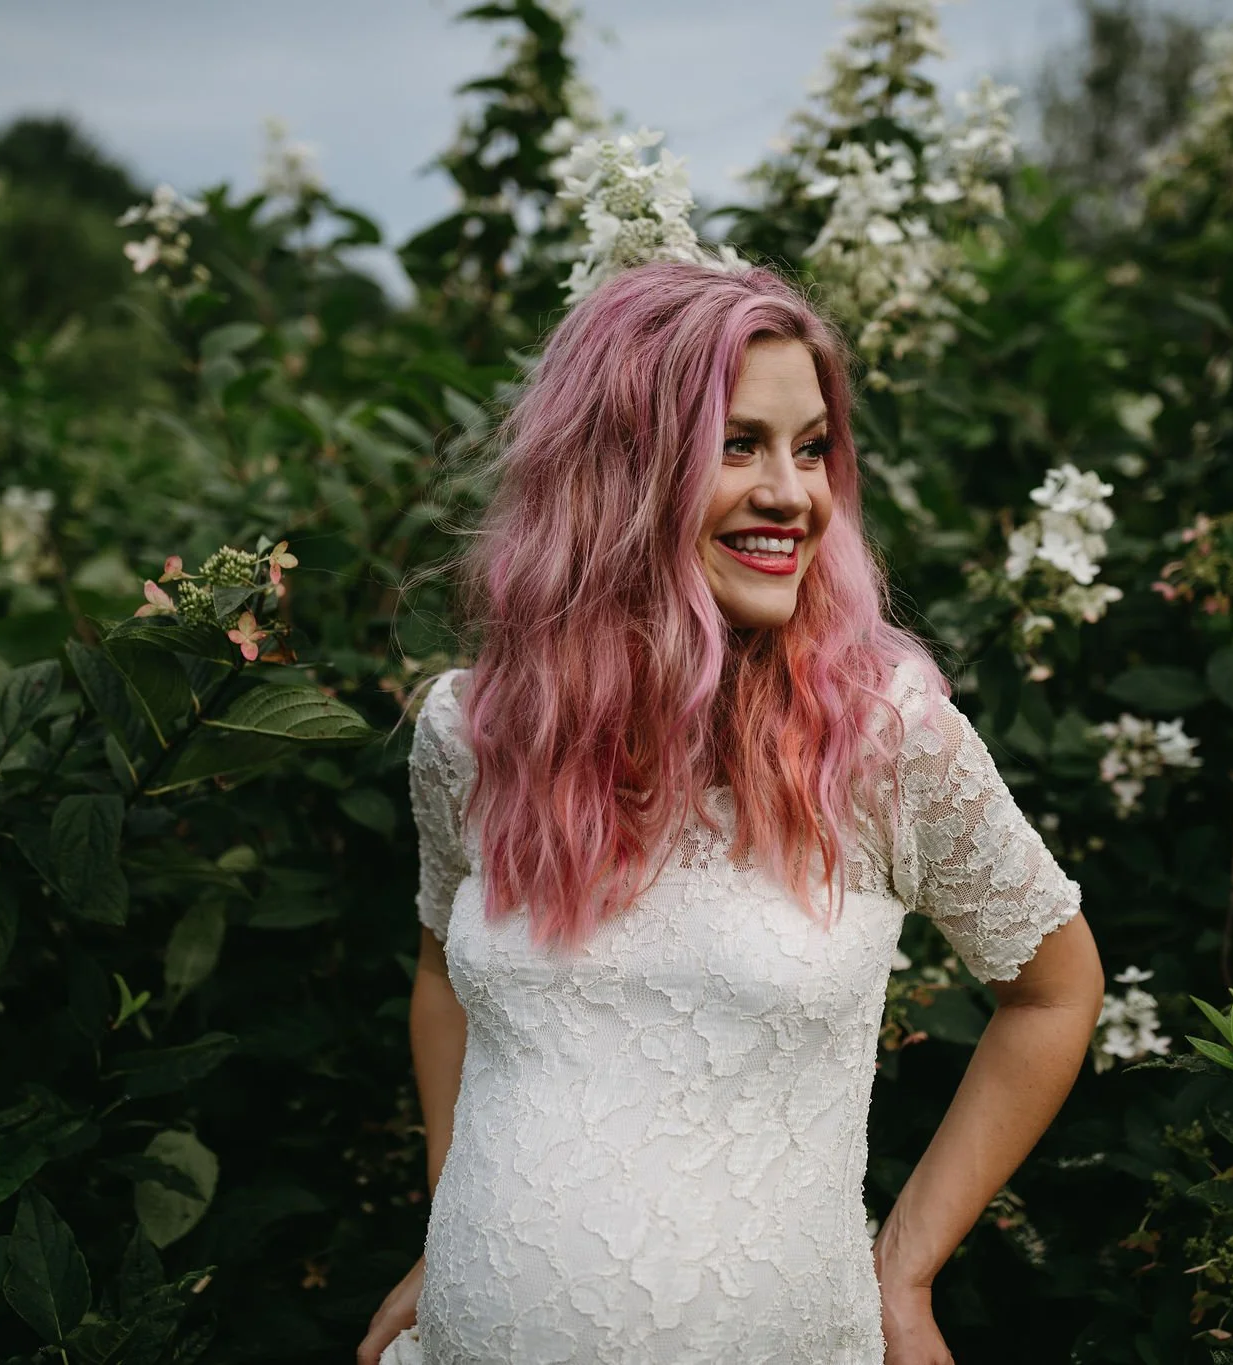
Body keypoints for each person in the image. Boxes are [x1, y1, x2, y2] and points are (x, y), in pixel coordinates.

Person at [357, 260, 1104, 1365]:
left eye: (810, 450)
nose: (793, 494)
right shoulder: (477, 733)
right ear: (618, 471)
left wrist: (902, 1271)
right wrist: (450, 1230)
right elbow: (439, 976)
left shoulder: (884, 738)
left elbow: (1053, 991)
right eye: (737, 443)